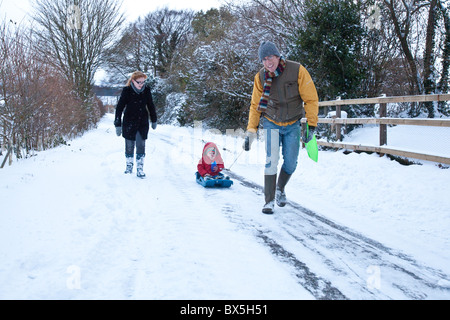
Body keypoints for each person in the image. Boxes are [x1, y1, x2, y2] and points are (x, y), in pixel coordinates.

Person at [243, 41, 319, 214]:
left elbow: (311, 99)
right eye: (264, 59)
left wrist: (311, 126)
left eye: (270, 57)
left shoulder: (297, 71)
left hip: (293, 123)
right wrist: (251, 132)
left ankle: (280, 188)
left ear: (277, 56)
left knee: (291, 163)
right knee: (271, 160)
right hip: (271, 121)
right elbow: (255, 105)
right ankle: (268, 201)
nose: (268, 62)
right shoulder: (260, 77)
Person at [114, 71, 157, 178]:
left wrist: (154, 119)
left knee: (141, 145)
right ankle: (129, 166)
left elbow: (151, 105)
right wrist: (117, 123)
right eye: (139, 82)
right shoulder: (127, 91)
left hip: (142, 122)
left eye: (143, 82)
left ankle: (140, 168)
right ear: (133, 81)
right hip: (129, 121)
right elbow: (119, 107)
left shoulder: (146, 91)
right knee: (129, 146)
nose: (141, 84)